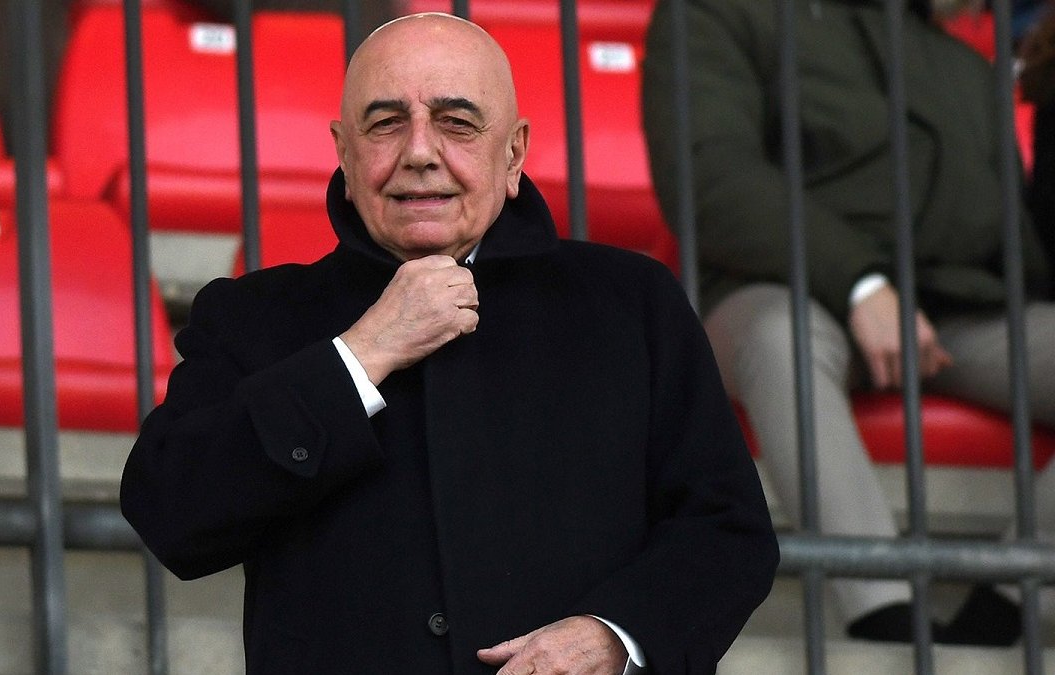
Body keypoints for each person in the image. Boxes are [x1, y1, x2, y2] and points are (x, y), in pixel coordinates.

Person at [121, 12, 779, 675]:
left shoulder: (631, 304)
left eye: (457, 123)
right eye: (385, 123)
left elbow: (727, 528)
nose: (419, 152)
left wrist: (615, 636)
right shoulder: (254, 316)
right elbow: (171, 511)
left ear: (514, 155)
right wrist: (361, 354)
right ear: (345, 154)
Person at [643, 0, 1055, 646]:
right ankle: (887, 619)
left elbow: (1012, 235)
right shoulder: (716, 13)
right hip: (779, 286)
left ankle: (1002, 613)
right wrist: (862, 282)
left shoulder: (960, 59)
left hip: (961, 310)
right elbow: (711, 177)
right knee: (781, 340)